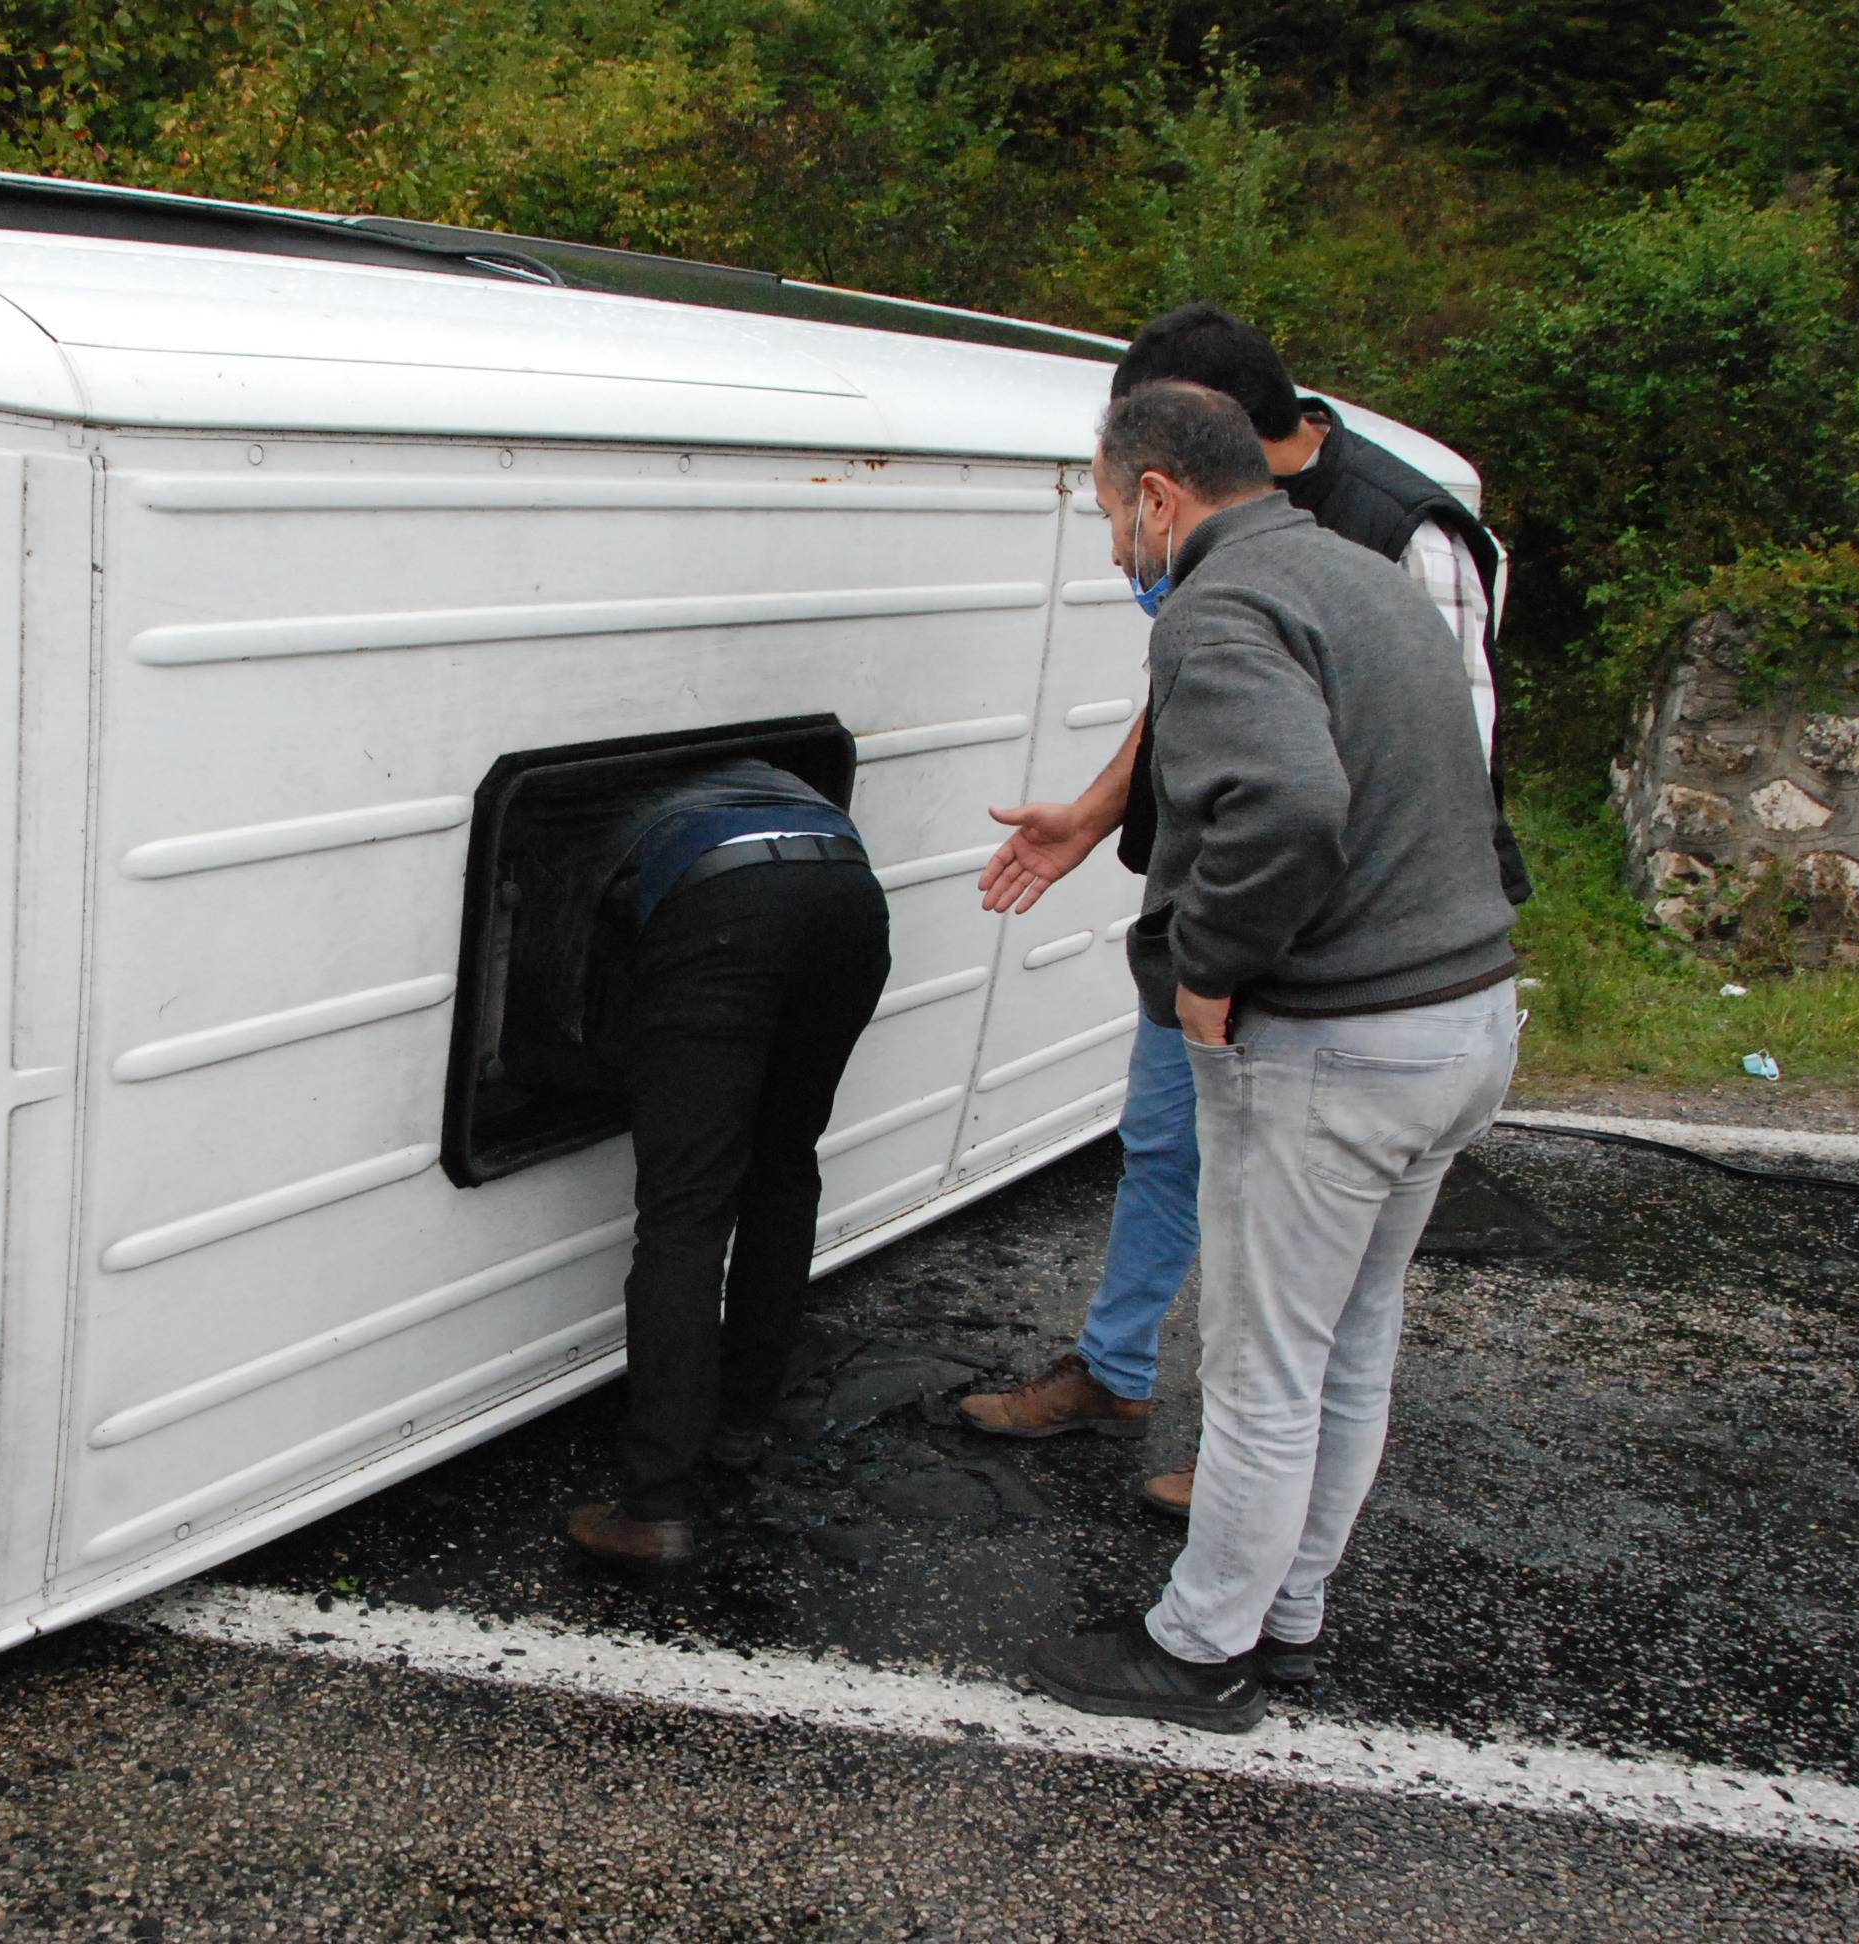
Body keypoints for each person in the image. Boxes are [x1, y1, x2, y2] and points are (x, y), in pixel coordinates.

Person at [960, 304, 1526, 1519]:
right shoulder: (1225, 548)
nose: (1115, 548)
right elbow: (1190, 706)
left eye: (1117, 511)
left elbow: (1422, 776)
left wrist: (1231, 957)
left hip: (1329, 974)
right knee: (1163, 1147)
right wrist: (1101, 814)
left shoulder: (1403, 534)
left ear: (1174, 469)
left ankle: (1247, 1477)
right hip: (1222, 919)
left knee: (1291, 1268)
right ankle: (1114, 1376)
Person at [518, 757, 892, 1566]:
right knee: (784, 1164)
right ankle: (738, 1427)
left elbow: (558, 976)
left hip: (723, 906)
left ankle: (654, 1507)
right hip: (847, 889)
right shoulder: (738, 765)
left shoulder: (570, 829)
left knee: (683, 1218)